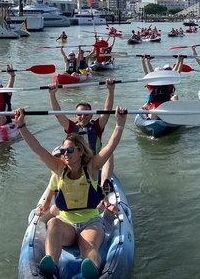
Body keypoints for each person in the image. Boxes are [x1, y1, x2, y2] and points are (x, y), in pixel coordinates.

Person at [14, 106, 127, 279]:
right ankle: (52, 265)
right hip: (66, 223)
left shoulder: (92, 168)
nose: (66, 154)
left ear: (80, 151)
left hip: (91, 222)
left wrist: (120, 124)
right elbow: (37, 149)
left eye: (70, 150)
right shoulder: (59, 170)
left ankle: (91, 270)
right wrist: (21, 126)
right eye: (64, 151)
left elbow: (110, 147)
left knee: (87, 246)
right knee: (53, 224)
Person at [47, 79, 117, 211]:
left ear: (91, 115)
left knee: (109, 154)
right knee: (54, 154)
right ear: (75, 115)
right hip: (74, 162)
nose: (83, 117)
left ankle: (103, 184)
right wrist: (52, 94)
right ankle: (57, 183)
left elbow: (107, 110)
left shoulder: (97, 126)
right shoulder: (70, 126)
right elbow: (57, 114)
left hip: (92, 163)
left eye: (86, 114)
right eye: (79, 114)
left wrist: (110, 90)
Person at [139, 55, 183, 119]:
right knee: (153, 113)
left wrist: (178, 60)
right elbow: (146, 74)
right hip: (154, 107)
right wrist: (143, 61)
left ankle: (174, 115)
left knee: (175, 96)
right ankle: (149, 120)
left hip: (165, 107)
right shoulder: (151, 85)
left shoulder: (168, 84)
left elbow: (174, 72)